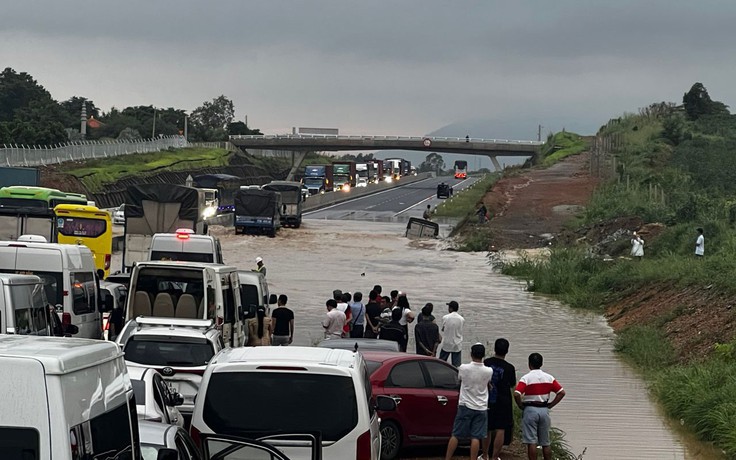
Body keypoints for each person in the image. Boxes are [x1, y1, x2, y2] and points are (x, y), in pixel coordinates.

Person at [444, 343, 493, 460]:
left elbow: (460, 381)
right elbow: (488, 384)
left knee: (455, 434)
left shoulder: (463, 368)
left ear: (471, 354)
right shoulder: (488, 371)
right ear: (483, 355)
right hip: (481, 407)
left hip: (465, 405)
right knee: (476, 437)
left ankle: (448, 458)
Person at [514, 353, 566, 460]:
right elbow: (561, 392)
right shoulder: (549, 378)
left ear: (529, 364)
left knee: (531, 441)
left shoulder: (526, 378)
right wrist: (551, 405)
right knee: (545, 442)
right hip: (544, 410)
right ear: (541, 364)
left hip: (530, 410)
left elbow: (516, 393)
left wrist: (520, 404)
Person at [480, 338, 516, 460]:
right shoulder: (509, 368)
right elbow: (512, 384)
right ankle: (495, 457)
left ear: (495, 349)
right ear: (507, 351)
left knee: (487, 428)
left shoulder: (486, 362)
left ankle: (485, 455)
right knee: (501, 429)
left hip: (487, 399)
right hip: (503, 401)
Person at [439, 301, 464, 367]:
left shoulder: (445, 317)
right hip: (457, 344)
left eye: (449, 307)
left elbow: (443, 329)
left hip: (447, 343)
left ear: (451, 308)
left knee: (441, 363)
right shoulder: (461, 319)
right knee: (456, 366)